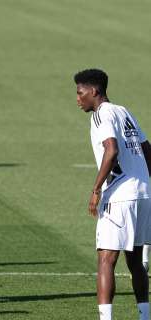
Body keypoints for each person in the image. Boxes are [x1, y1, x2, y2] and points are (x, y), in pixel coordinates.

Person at [74, 68, 151, 320]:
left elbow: (112, 150)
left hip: (120, 195)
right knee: (136, 260)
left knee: (106, 259)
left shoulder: (101, 115)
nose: (78, 99)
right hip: (143, 193)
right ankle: (145, 315)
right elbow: (146, 148)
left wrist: (96, 189)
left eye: (80, 92)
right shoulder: (124, 111)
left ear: (94, 91)